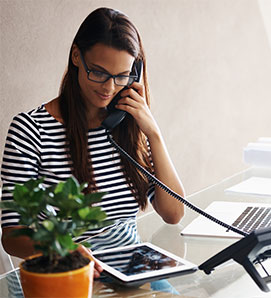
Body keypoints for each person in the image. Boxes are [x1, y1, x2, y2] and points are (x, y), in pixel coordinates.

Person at [0, 7, 185, 277]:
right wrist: (64, 249)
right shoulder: (31, 130)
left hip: (130, 273)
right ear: (77, 56)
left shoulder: (126, 126)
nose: (109, 88)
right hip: (65, 275)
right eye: (98, 72)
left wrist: (153, 134)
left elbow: (173, 214)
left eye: (121, 76)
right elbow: (12, 235)